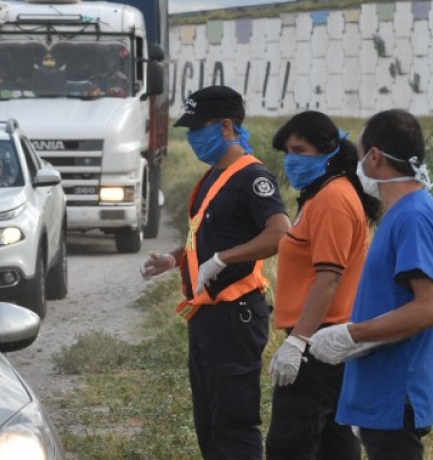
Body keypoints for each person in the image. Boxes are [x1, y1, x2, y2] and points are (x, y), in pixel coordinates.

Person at [140, 85, 290, 459]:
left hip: (235, 316)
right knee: (209, 425)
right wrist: (175, 259)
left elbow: (279, 233)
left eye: (198, 128)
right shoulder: (213, 177)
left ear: (226, 127)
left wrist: (223, 259)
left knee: (234, 426)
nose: (192, 138)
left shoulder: (253, 178)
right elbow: (206, 237)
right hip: (207, 316)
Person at [307, 109, 433, 460]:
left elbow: (429, 308)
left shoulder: (413, 216)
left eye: (360, 156)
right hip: (384, 390)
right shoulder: (405, 212)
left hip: (396, 391)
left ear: (374, 156)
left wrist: (350, 335)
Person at [265, 111, 382, 459]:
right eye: (288, 151)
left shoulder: (333, 200)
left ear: (328, 151)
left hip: (318, 341)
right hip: (325, 338)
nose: (292, 160)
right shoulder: (323, 195)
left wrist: (297, 342)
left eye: (300, 150)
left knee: (291, 443)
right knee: (334, 443)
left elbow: (329, 277)